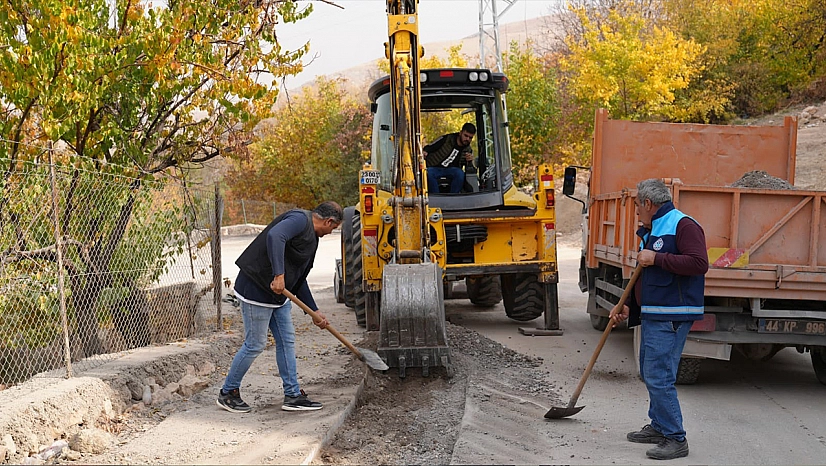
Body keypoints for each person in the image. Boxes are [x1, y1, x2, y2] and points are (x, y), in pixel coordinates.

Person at [611, 179, 708, 461]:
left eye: (637, 205)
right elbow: (645, 275)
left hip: (673, 315)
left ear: (648, 204)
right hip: (655, 313)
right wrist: (629, 305)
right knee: (649, 371)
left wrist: (658, 257)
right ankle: (659, 426)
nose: (637, 212)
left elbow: (699, 263)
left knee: (659, 376)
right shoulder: (652, 230)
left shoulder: (683, 225)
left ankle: (675, 437)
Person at [217, 201, 343, 413]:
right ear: (329, 221)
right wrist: (279, 275)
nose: (331, 232)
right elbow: (275, 236)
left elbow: (299, 278)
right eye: (333, 228)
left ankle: (292, 395)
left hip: (278, 296)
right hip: (256, 289)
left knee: (286, 341)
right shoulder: (298, 220)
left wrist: (313, 311)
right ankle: (228, 392)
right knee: (255, 344)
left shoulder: (312, 239)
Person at [423, 122, 476, 193]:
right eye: (465, 136)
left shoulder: (468, 150)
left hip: (451, 170)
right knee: (428, 173)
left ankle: (454, 197)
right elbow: (430, 146)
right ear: (460, 133)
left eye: (470, 138)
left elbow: (468, 170)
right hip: (435, 167)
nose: (467, 139)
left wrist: (469, 161)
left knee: (460, 174)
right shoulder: (447, 139)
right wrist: (425, 151)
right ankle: (436, 197)